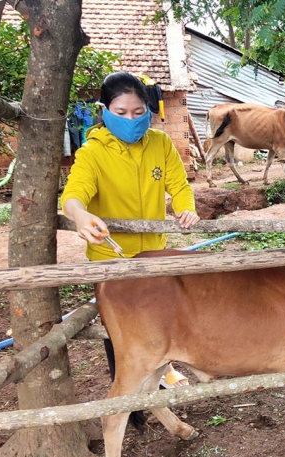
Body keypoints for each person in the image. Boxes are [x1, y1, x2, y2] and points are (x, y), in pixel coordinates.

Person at [61, 71, 200, 390]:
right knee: (121, 326)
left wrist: (185, 207)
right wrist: (80, 216)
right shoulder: (92, 152)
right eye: (121, 113)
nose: (131, 119)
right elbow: (73, 195)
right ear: (104, 111)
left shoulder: (160, 144)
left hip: (154, 252)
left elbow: (179, 185)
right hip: (110, 256)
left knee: (161, 318)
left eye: (139, 113)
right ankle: (126, 384)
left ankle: (164, 372)